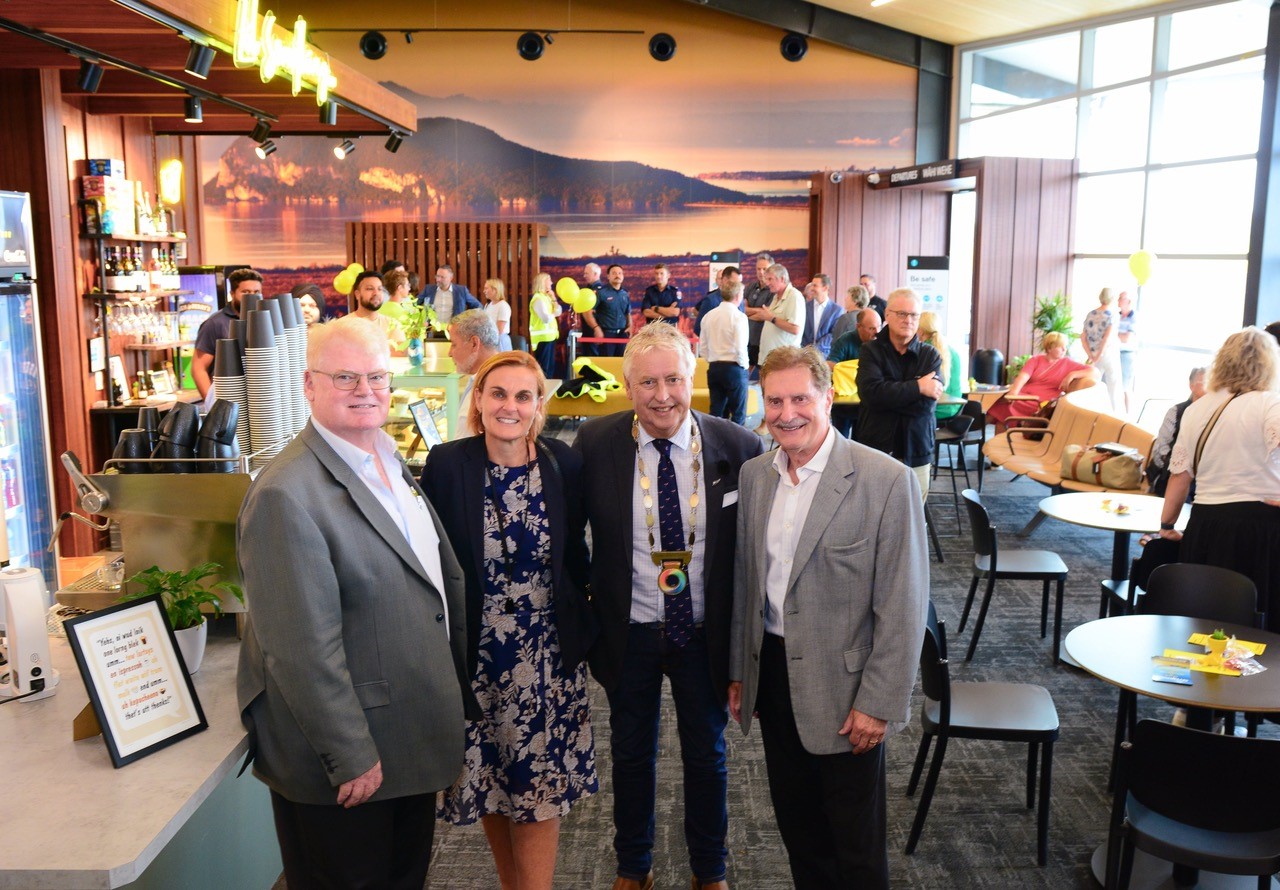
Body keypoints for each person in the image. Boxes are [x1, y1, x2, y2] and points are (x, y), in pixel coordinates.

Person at [236, 315, 476, 889]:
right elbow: (299, 649)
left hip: (404, 738)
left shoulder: (384, 461)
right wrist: (349, 753)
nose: (365, 391)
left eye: (376, 376)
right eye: (345, 377)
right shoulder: (286, 496)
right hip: (348, 759)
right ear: (308, 386)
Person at [574, 322, 764, 890]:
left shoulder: (738, 446)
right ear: (627, 387)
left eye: (674, 379)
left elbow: (753, 555)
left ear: (693, 376)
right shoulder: (595, 443)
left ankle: (711, 869)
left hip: (702, 633)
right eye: (648, 382)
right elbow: (568, 536)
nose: (663, 396)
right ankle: (634, 865)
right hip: (628, 631)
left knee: (706, 756)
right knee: (631, 755)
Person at [729, 346, 927, 889]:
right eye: (774, 400)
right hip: (773, 675)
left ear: (829, 398)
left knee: (855, 848)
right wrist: (741, 671)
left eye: (800, 398)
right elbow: (750, 582)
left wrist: (879, 701)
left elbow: (903, 604)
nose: (786, 413)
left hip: (849, 693)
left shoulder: (885, 480)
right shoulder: (754, 476)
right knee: (800, 833)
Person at [422, 351, 598, 890]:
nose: (510, 406)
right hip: (478, 653)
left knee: (539, 789)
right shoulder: (448, 463)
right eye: (498, 393)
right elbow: (432, 558)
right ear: (478, 399)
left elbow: (575, 558)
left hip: (546, 652)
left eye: (524, 396)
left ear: (539, 405)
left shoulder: (562, 463)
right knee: (493, 782)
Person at [1158, 327, 1280, 632]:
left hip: (1206, 524)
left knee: (1207, 620)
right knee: (1260, 626)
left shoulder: (1198, 408)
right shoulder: (1271, 404)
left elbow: (1180, 476)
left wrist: (1167, 525)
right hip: (1262, 528)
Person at [855, 288, 942, 500]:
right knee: (873, 515)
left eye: (914, 315)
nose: (908, 320)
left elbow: (925, 406)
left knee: (913, 520)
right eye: (901, 313)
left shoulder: (930, 355)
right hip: (876, 447)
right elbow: (870, 394)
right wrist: (917, 387)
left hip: (917, 447)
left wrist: (889, 395)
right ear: (887, 315)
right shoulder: (870, 351)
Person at [985, 331, 1094, 429]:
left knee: (1001, 406)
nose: (1064, 349)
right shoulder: (1035, 360)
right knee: (1001, 406)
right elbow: (1023, 377)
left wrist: (1072, 374)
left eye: (1065, 347)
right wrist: (1013, 393)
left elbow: (1094, 372)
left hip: (1040, 402)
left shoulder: (1068, 363)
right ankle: (977, 432)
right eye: (1061, 347)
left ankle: (975, 429)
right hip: (1024, 396)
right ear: (1050, 348)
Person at [192, 267, 263, 398]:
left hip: (258, 399)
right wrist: (213, 405)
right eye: (246, 292)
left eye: (256, 292)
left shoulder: (265, 322)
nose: (252, 297)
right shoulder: (214, 323)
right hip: (227, 396)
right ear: (232, 293)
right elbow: (198, 368)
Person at [1146, 366, 1207, 497]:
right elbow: (1159, 450)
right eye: (1204, 382)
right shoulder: (1176, 412)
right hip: (1172, 475)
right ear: (1191, 386)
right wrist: (1177, 467)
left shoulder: (1215, 416)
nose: (1210, 388)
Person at [698, 279, 749, 425]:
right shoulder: (739, 317)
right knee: (738, 415)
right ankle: (737, 446)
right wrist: (744, 367)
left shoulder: (708, 316)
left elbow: (703, 347)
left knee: (716, 413)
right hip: (734, 368)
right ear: (738, 295)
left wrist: (713, 360)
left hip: (714, 368)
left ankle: (715, 445)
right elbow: (740, 347)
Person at [448, 309, 501, 436]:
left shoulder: (488, 387)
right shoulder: (484, 377)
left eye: (454, 344)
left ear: (474, 344)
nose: (449, 353)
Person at [748, 262, 804, 367]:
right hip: (768, 359)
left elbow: (795, 329)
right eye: (766, 279)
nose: (767, 283)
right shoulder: (775, 296)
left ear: (782, 279)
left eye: (770, 279)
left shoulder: (794, 296)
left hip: (783, 361)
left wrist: (771, 318)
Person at [1082, 287, 1123, 413]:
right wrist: (1100, 354)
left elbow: (1083, 336)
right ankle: (1116, 415)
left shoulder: (1091, 314)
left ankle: (1090, 413)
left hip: (1093, 355)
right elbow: (1106, 338)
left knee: (1092, 385)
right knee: (1113, 386)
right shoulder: (1112, 315)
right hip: (1108, 354)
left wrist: (1091, 355)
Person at [918, 311, 963, 421]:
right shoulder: (953, 351)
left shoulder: (922, 351)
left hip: (933, 410)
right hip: (955, 408)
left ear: (920, 330)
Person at [585, 263, 631, 357]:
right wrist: (596, 328)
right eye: (614, 273)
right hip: (606, 335)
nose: (617, 275)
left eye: (620, 273)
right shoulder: (601, 292)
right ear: (608, 276)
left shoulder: (625, 294)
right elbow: (587, 311)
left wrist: (630, 326)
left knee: (622, 365)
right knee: (606, 366)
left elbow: (628, 312)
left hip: (622, 335)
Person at [350, 270, 404, 347]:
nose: (376, 293)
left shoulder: (392, 324)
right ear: (357, 294)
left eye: (379, 289)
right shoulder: (344, 325)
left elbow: (401, 352)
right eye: (370, 289)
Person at [694, 266, 742, 339]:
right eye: (735, 283)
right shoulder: (710, 300)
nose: (738, 286)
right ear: (725, 280)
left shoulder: (740, 301)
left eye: (740, 283)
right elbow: (699, 329)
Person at [744, 254, 773, 370]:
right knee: (745, 374)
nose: (761, 272)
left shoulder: (773, 289)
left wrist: (748, 313)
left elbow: (766, 314)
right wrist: (759, 311)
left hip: (763, 339)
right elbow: (742, 309)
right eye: (758, 269)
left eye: (764, 269)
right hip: (747, 337)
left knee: (764, 376)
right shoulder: (751, 286)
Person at [803, 273, 844, 357]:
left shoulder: (837, 310)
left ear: (825, 288)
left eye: (815, 286)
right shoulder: (805, 306)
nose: (812, 288)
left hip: (824, 355)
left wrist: (815, 349)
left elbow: (833, 334)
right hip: (804, 353)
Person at [529, 272, 559, 380]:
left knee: (550, 368)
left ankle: (548, 392)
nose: (551, 282)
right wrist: (554, 313)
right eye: (549, 280)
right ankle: (543, 392)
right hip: (542, 339)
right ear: (543, 282)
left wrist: (553, 297)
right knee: (544, 370)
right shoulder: (538, 299)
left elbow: (559, 311)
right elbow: (545, 318)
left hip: (550, 337)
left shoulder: (547, 297)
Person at [1117, 291, 1137, 413]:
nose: (1118, 301)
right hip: (1115, 352)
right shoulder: (1117, 315)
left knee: (1125, 387)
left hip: (1127, 354)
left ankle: (1127, 415)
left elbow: (1126, 338)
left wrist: (1113, 334)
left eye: (1121, 298)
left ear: (1128, 301)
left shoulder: (1134, 317)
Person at [482, 278, 513, 351]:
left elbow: (499, 330)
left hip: (499, 341)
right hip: (491, 340)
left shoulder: (503, 306)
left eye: (486, 288)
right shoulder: (488, 305)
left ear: (495, 289)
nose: (484, 291)